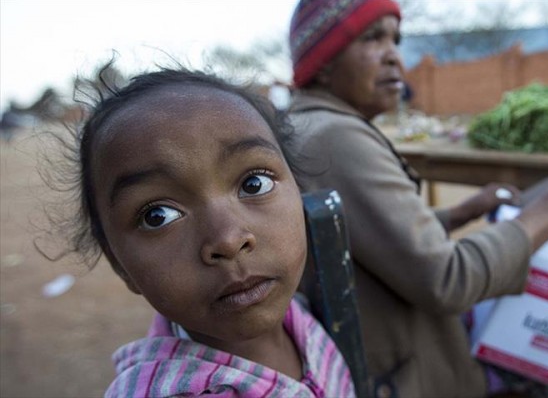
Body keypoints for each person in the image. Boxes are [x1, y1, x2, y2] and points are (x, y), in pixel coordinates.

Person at [286, 0, 548, 397]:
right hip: (414, 372)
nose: (395, 57)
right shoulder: (336, 137)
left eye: (396, 40)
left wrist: (456, 214)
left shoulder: (308, 123)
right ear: (323, 61)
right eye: (372, 38)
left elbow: (367, 236)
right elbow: (448, 279)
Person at [40, 66, 355, 397]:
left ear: (296, 186)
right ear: (120, 265)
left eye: (254, 183)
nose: (229, 240)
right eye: (157, 216)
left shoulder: (302, 314)